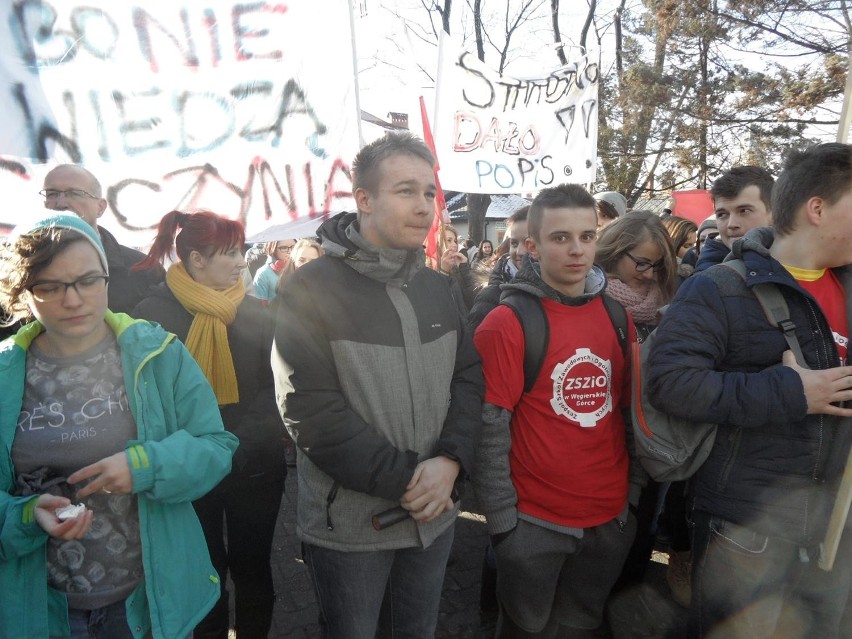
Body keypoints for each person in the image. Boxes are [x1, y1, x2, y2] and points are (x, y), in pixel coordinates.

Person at [271, 132, 484, 639]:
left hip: (434, 515)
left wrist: (451, 461)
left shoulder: (439, 286)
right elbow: (308, 410)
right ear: (363, 200)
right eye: (406, 191)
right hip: (351, 527)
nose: (425, 206)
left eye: (430, 193)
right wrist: (412, 481)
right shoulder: (311, 286)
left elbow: (469, 378)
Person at [647, 142, 852, 638]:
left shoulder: (847, 284)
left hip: (832, 532)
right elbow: (669, 383)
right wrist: (789, 392)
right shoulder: (720, 286)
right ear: (818, 209)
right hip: (748, 531)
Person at [0, 213, 238, 639]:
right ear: (23, 293)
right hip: (37, 608)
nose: (72, 300)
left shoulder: (159, 354)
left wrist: (145, 466)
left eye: (87, 281)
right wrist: (23, 516)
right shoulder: (3, 374)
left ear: (108, 279)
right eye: (49, 287)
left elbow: (215, 446)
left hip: (145, 604)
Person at [473, 184, 640, 638]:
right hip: (534, 522)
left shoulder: (615, 316)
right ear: (532, 246)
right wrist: (505, 526)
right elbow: (490, 429)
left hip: (607, 518)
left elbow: (628, 414)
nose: (577, 250)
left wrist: (630, 499)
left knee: (580, 626)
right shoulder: (506, 322)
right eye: (560, 237)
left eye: (587, 237)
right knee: (525, 629)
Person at [132, 211, 287, 639]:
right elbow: (149, 400)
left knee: (253, 568)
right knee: (204, 570)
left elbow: (279, 389)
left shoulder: (258, 312)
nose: (242, 262)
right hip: (187, 469)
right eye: (232, 253)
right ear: (197, 259)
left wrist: (235, 444)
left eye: (241, 251)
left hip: (253, 465)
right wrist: (199, 454)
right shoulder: (151, 317)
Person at [41, 164, 164, 314]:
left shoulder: (143, 269)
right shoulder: (20, 264)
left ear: (100, 207)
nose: (60, 204)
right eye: (52, 194)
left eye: (74, 193)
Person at [696, 165, 773, 272]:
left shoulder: (797, 262)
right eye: (722, 214)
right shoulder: (705, 282)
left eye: (744, 211)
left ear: (774, 214)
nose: (731, 224)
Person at [468, 206, 530, 329]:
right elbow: (473, 341)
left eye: (529, 242)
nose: (519, 251)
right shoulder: (491, 295)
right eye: (514, 243)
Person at [251, 239, 296, 303]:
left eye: (293, 247)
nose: (290, 251)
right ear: (273, 249)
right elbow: (261, 306)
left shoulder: (299, 267)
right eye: (284, 248)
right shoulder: (263, 273)